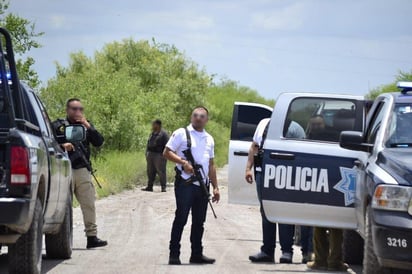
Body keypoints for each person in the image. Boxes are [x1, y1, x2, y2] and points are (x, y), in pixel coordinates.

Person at [246, 118, 311, 264]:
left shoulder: (295, 128)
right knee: (266, 212)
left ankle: (286, 252)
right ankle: (267, 251)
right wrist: (248, 169)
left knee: (284, 212)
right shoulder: (263, 123)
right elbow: (254, 147)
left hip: (285, 175)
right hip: (263, 173)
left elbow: (302, 152)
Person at [164, 106, 220, 265]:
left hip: (202, 186)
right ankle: (174, 254)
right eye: (196, 115)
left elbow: (211, 165)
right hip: (185, 184)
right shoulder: (182, 133)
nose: (198, 118)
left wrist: (215, 187)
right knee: (181, 218)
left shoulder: (209, 138)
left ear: (206, 120)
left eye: (202, 116)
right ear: (191, 117)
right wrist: (183, 162)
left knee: (199, 222)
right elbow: (166, 152)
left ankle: (196, 254)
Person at [53, 98, 108, 249]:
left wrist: (88, 126)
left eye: (80, 109)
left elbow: (99, 141)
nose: (78, 112)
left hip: (82, 169)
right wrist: (62, 146)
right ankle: (61, 241)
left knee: (89, 204)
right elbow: (48, 144)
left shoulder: (86, 125)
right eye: (74, 109)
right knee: (63, 206)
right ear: (67, 110)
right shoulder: (58, 126)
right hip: (64, 170)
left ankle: (92, 237)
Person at [142, 119, 169, 192]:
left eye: (154, 124)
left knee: (161, 171)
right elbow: (148, 143)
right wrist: (147, 152)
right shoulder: (152, 133)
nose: (152, 125)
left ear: (158, 125)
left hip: (159, 155)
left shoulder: (164, 134)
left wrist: (165, 154)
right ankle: (149, 186)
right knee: (150, 171)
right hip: (150, 154)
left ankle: (163, 187)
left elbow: (167, 145)